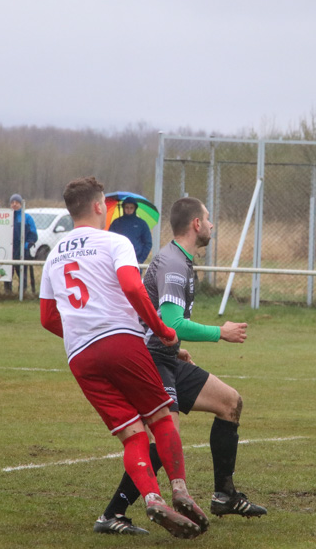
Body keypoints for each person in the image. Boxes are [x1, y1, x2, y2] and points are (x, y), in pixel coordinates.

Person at [39, 177, 208, 539]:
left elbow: (48, 318)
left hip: (80, 356)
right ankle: (179, 490)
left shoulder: (53, 254)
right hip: (119, 340)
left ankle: (150, 496)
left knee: (132, 436)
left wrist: (79, 332)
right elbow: (132, 286)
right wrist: (163, 331)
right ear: (100, 206)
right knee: (162, 419)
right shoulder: (116, 241)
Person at [100, 197, 266, 533]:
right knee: (167, 437)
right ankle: (112, 514)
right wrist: (221, 332)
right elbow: (173, 322)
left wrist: (175, 349)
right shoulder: (174, 263)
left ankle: (224, 495)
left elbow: (161, 322)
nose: (211, 224)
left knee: (230, 402)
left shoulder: (179, 259)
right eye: (208, 218)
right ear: (195, 224)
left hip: (166, 356)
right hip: (151, 361)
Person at [5, 193, 38, 294]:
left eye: (17, 202)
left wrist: (26, 246)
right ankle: (7, 292)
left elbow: (33, 234)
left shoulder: (27, 217)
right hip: (9, 249)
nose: (14, 204)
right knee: (7, 272)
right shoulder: (6, 217)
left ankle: (22, 292)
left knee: (21, 272)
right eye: (12, 202)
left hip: (22, 250)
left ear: (21, 204)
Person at [108, 196, 152, 263]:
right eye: (127, 207)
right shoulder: (116, 223)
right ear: (123, 208)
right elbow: (110, 241)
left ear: (135, 208)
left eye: (131, 208)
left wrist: (140, 260)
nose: (129, 210)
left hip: (135, 260)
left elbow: (148, 243)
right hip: (119, 259)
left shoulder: (141, 224)